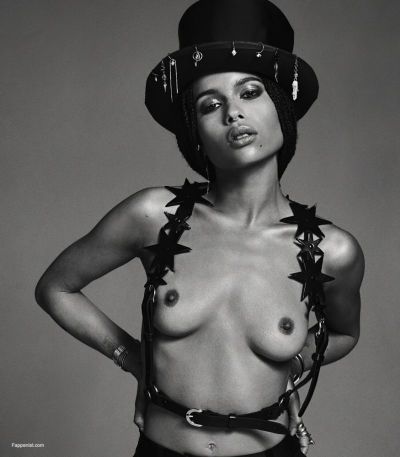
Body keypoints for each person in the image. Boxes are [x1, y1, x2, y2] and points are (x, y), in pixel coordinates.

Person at [35, 1, 364, 456]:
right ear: (195, 131)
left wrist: (292, 369)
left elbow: (345, 333)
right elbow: (56, 288)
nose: (233, 114)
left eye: (251, 93)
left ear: (281, 107)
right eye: (211, 104)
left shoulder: (331, 249)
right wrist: (132, 359)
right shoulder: (157, 215)